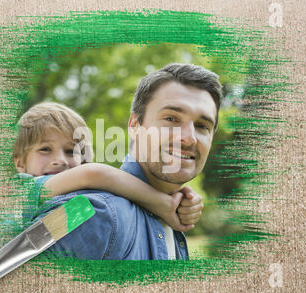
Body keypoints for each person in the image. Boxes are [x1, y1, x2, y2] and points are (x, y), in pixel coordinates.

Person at [19, 63, 222, 260]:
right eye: (171, 119)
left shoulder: (171, 223)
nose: (189, 138)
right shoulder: (93, 213)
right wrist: (163, 202)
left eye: (202, 126)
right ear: (134, 125)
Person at [11, 101, 202, 236]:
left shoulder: (81, 197)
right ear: (20, 163)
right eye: (45, 149)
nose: (59, 160)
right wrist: (164, 203)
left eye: (70, 151)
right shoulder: (24, 189)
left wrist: (178, 196)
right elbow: (97, 174)